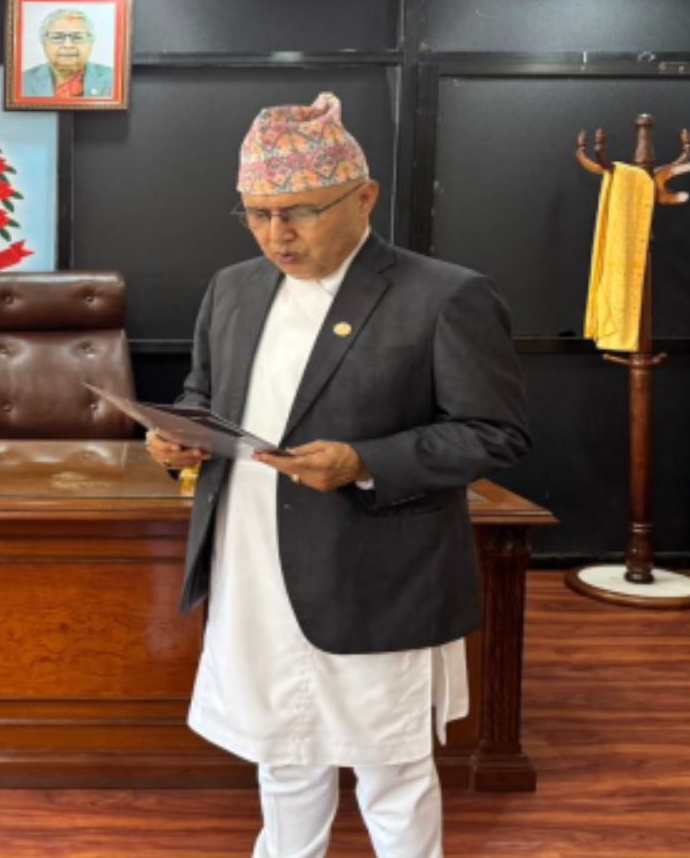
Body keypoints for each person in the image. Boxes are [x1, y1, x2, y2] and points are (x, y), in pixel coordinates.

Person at [147, 92, 529, 858]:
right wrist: (178, 437)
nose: (276, 235)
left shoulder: (442, 293)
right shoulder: (232, 287)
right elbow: (203, 395)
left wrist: (365, 461)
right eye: (257, 214)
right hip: (252, 561)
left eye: (298, 212)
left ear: (363, 197)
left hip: (374, 571)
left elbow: (494, 433)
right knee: (280, 750)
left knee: (389, 763)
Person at [19, 8, 115, 99]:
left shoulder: (114, 78)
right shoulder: (22, 81)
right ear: (44, 43)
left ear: (91, 43)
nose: (68, 45)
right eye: (57, 37)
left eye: (78, 37)